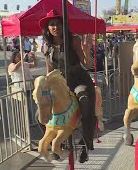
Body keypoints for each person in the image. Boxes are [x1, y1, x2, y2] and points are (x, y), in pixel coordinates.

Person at [37, 9, 95, 163]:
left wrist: (87, 52)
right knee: (39, 116)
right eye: (52, 24)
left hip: (77, 80)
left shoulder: (74, 40)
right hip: (58, 85)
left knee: (86, 101)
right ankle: (57, 142)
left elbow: (87, 64)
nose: (55, 27)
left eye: (58, 24)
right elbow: (49, 70)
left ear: (63, 25)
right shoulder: (47, 47)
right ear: (48, 28)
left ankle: (86, 143)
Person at [8, 51, 35, 124]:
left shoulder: (25, 64)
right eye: (17, 56)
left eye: (20, 55)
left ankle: (30, 121)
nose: (19, 57)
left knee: (28, 104)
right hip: (19, 88)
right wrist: (22, 59)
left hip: (28, 86)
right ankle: (25, 121)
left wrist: (34, 57)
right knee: (23, 105)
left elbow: (33, 65)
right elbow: (14, 68)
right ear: (13, 57)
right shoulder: (11, 64)